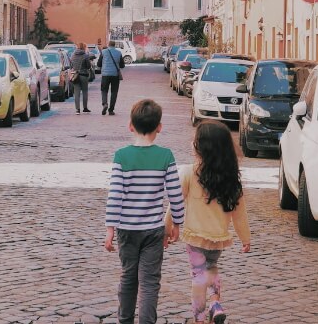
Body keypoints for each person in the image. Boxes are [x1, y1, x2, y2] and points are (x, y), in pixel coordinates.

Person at [105, 99, 185, 324]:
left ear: (130, 126)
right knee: (150, 282)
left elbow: (115, 195)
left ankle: (125, 320)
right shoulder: (166, 156)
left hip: (127, 230)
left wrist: (110, 229)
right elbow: (175, 195)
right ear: (159, 127)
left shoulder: (121, 156)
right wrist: (176, 223)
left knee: (128, 277)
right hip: (153, 230)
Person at [166, 120, 251, 324]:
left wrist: (167, 228)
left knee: (198, 275)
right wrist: (245, 238)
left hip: (195, 238)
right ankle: (215, 303)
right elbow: (240, 213)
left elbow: (175, 204)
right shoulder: (231, 178)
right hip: (218, 238)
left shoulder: (189, 173)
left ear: (200, 147)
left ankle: (200, 317)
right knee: (211, 268)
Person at [98, 40, 125, 115]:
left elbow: (99, 64)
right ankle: (111, 110)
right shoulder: (119, 53)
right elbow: (122, 65)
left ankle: (105, 104)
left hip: (105, 75)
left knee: (104, 90)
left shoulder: (103, 52)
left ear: (108, 45)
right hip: (115, 75)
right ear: (115, 45)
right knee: (114, 92)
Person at [69, 43, 93, 114]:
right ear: (84, 47)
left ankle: (77, 109)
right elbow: (88, 66)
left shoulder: (73, 55)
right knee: (85, 92)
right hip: (83, 75)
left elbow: (71, 65)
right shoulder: (85, 55)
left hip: (75, 75)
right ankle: (85, 108)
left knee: (76, 93)